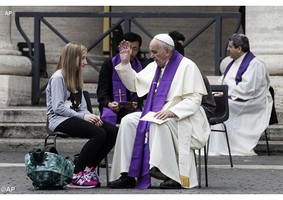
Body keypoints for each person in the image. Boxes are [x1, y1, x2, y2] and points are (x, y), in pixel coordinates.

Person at [108, 33, 210, 189]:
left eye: (155, 52)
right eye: (151, 52)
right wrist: (125, 62)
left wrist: (172, 112)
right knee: (128, 121)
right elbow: (134, 85)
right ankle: (128, 174)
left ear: (167, 52)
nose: (151, 56)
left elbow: (194, 100)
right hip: (155, 112)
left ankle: (172, 175)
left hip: (182, 117)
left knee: (159, 123)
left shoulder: (187, 66)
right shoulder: (154, 66)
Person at [46, 42, 118, 188]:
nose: (85, 62)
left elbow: (82, 107)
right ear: (72, 58)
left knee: (112, 131)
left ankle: (89, 169)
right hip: (58, 119)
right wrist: (83, 117)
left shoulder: (76, 77)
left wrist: (91, 116)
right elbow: (57, 107)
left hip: (73, 116)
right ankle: (76, 173)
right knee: (99, 133)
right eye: (82, 58)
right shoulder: (58, 78)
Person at [208, 33, 273, 156]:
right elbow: (223, 80)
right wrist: (216, 91)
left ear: (239, 49)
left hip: (252, 101)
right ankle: (212, 146)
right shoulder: (232, 63)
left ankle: (226, 146)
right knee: (213, 103)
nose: (227, 50)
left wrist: (225, 93)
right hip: (234, 96)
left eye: (230, 46)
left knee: (224, 106)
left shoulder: (255, 64)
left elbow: (249, 89)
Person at [97, 32, 146, 125]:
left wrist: (136, 102)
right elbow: (102, 91)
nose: (131, 52)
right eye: (128, 48)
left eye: (135, 49)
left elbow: (142, 89)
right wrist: (109, 103)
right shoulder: (109, 64)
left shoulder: (141, 65)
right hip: (112, 105)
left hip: (132, 107)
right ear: (120, 47)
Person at [169, 31, 216, 119]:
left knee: (179, 115)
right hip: (182, 105)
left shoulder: (190, 68)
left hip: (204, 107)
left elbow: (193, 102)